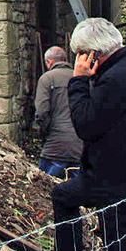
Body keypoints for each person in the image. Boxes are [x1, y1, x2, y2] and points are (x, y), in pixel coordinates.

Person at [45, 18, 126, 251]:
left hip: (113, 176)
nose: (79, 60)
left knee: (118, 247)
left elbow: (85, 125)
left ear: (92, 54)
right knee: (122, 242)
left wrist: (78, 81)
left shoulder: (115, 79)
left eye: (80, 55)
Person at [35, 46, 83, 178]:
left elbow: (41, 113)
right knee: (78, 190)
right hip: (80, 146)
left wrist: (45, 134)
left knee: (43, 186)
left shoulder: (47, 79)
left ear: (49, 62)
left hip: (54, 147)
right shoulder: (81, 78)